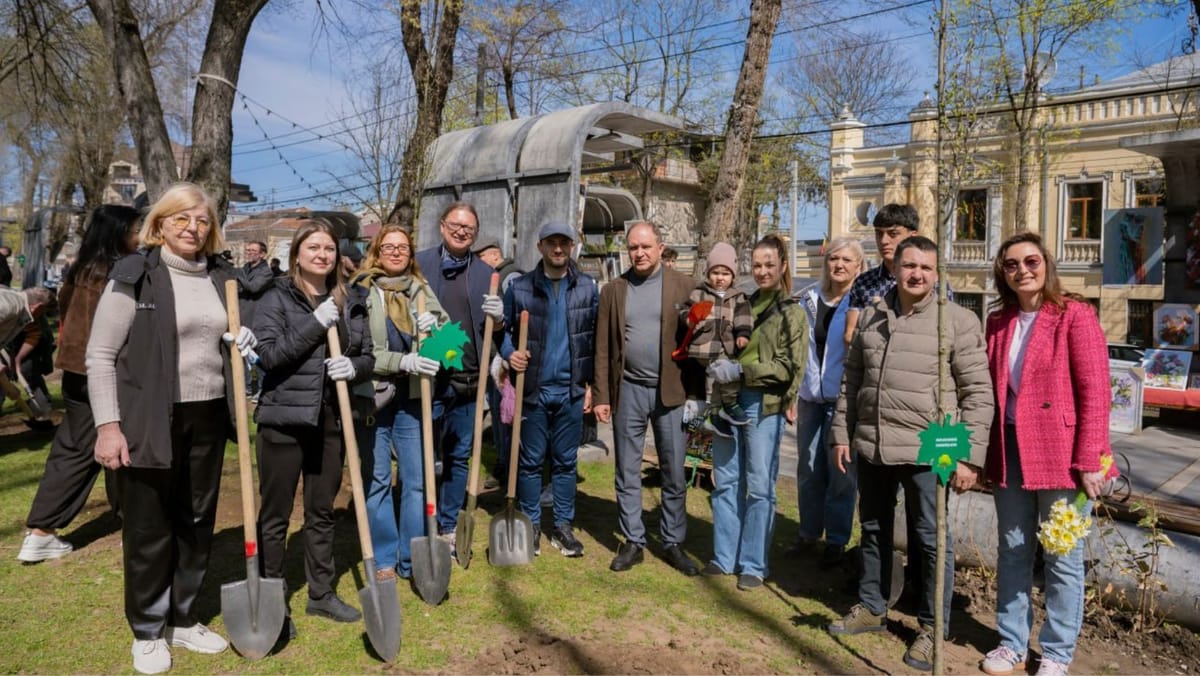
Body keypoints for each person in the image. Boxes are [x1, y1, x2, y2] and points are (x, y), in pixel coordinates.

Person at [87, 183, 254, 674]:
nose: (192, 228)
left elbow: (226, 342)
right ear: (159, 224)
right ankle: (147, 629)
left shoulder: (222, 277)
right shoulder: (135, 275)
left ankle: (182, 617)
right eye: (181, 218)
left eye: (202, 220)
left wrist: (243, 343)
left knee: (197, 521)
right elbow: (100, 356)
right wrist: (108, 427)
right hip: (148, 415)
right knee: (148, 525)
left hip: (208, 415)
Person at [827, 235, 992, 672]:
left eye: (926, 267)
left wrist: (969, 456)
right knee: (874, 527)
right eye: (910, 265)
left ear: (937, 274)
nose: (917, 274)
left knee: (932, 538)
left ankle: (932, 628)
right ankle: (872, 605)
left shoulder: (955, 321)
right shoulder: (872, 316)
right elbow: (851, 381)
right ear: (895, 268)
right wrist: (841, 433)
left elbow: (978, 392)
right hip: (875, 443)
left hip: (932, 446)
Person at [979, 232, 1117, 676]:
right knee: (1013, 548)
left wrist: (1090, 459)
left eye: (1031, 261)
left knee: (1063, 556)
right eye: (1012, 264)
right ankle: (1011, 643)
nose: (1022, 270)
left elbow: (1096, 391)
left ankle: (1057, 653)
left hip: (1063, 454)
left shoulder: (1074, 314)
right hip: (1009, 448)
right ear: (1002, 273)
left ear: (1046, 264)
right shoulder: (998, 321)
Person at [253, 219, 374, 635]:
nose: (322, 255)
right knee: (275, 514)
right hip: (284, 419)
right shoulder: (276, 297)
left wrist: (354, 367)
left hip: (331, 419)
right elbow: (269, 356)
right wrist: (315, 323)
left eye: (328, 248)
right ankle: (272, 598)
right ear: (297, 254)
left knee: (321, 511)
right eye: (314, 248)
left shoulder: (351, 298)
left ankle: (321, 593)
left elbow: (367, 355)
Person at [18, 205, 140, 563]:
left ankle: (42, 532)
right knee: (115, 448)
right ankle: (44, 532)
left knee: (76, 448)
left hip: (75, 370)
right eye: (135, 230)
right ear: (119, 232)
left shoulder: (81, 268)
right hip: (103, 373)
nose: (140, 236)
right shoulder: (117, 271)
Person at [592, 221, 701, 576]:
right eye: (633, 248)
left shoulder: (685, 286)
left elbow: (700, 342)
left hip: (671, 392)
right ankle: (633, 540)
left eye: (645, 247)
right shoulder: (614, 290)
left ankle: (672, 541)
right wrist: (602, 394)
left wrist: (697, 395)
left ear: (660, 247)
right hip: (628, 391)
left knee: (673, 469)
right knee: (627, 468)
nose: (638, 253)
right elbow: (602, 347)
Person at [703, 235, 808, 591]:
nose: (762, 271)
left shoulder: (792, 312)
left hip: (763, 403)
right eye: (757, 265)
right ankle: (723, 556)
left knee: (760, 485)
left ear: (783, 266)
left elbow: (789, 367)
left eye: (769, 265)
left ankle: (753, 563)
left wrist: (743, 371)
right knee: (726, 479)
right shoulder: (741, 303)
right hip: (727, 397)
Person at [501, 222, 599, 557]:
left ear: (572, 246)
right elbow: (502, 332)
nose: (558, 249)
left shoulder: (587, 288)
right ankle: (531, 525)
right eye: (551, 243)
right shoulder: (521, 288)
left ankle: (562, 526)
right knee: (530, 462)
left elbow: (594, 339)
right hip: (534, 389)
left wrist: (591, 386)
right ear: (540, 246)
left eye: (564, 243)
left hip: (571, 390)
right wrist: (509, 353)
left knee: (565, 462)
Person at [354, 224, 445, 582]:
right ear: (377, 252)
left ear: (410, 254)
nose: (396, 252)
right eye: (389, 247)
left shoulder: (420, 289)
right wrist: (402, 361)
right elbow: (360, 350)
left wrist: (436, 332)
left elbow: (451, 348)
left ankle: (411, 555)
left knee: (416, 479)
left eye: (403, 247)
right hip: (374, 395)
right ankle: (384, 557)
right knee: (377, 478)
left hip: (412, 397)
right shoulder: (362, 290)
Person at [414, 201, 505, 555]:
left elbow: (500, 330)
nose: (461, 231)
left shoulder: (485, 273)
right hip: (429, 378)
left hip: (469, 381)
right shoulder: (420, 264)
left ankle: (448, 524)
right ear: (442, 226)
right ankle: (421, 519)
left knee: (459, 455)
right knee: (424, 453)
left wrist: (500, 318)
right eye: (455, 224)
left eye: (469, 228)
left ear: (475, 233)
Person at [789, 237, 864, 569]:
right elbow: (796, 351)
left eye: (847, 260)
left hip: (842, 401)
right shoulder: (808, 299)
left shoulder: (862, 304)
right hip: (810, 398)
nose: (839, 265)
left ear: (858, 266)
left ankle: (836, 540)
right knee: (808, 468)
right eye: (834, 258)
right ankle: (808, 534)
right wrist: (792, 392)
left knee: (841, 474)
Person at [680, 241, 752, 438]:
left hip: (725, 347)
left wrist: (743, 334)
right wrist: (689, 318)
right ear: (708, 273)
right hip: (703, 346)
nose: (720, 278)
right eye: (715, 273)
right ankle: (726, 406)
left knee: (724, 378)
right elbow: (685, 310)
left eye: (725, 273)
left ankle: (717, 412)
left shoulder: (737, 296)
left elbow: (743, 317)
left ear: (733, 276)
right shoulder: (700, 293)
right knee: (719, 377)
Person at [843, 203, 919, 347]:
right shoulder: (864, 283)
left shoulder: (930, 282)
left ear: (912, 236)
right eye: (879, 233)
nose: (884, 241)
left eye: (893, 234)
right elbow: (849, 335)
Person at [238, 240, 274, 400]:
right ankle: (246, 386)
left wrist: (236, 275)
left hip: (257, 318)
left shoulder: (266, 272)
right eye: (248, 250)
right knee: (241, 351)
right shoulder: (245, 269)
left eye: (253, 251)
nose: (249, 253)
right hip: (242, 315)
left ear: (262, 254)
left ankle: (262, 388)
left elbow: (253, 287)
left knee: (257, 353)